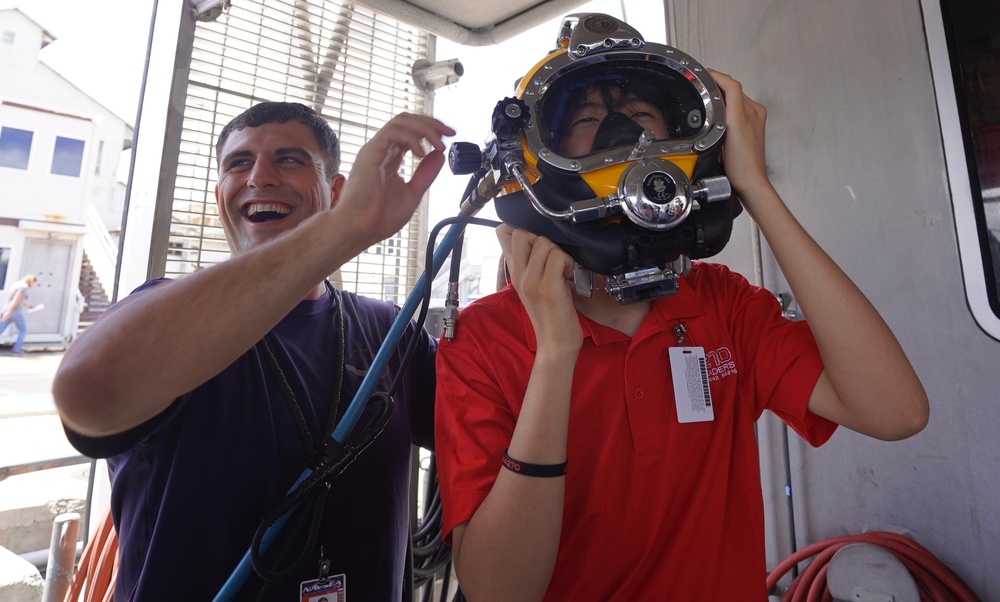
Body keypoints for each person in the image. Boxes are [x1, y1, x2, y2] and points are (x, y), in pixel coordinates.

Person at [433, 19, 930, 601]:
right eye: (588, 120)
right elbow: (499, 593)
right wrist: (555, 354)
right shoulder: (482, 340)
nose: (621, 132)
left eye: (643, 116)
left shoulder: (724, 304)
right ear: (537, 155)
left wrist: (757, 188)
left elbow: (896, 411)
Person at [52, 102, 454, 600]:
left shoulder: (387, 329)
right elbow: (89, 389)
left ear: (336, 190)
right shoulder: (168, 315)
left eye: (289, 160)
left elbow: (501, 422)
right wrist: (344, 230)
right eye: (237, 164)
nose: (259, 176)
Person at [1, 274, 38, 355]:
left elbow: (19, 299)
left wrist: (29, 305)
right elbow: (16, 299)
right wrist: (9, 312)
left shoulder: (16, 284)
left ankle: (17, 348)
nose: (33, 285)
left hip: (7, 308)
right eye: (34, 283)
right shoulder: (24, 287)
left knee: (0, 328)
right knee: (23, 330)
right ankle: (16, 349)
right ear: (31, 281)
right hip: (14, 311)